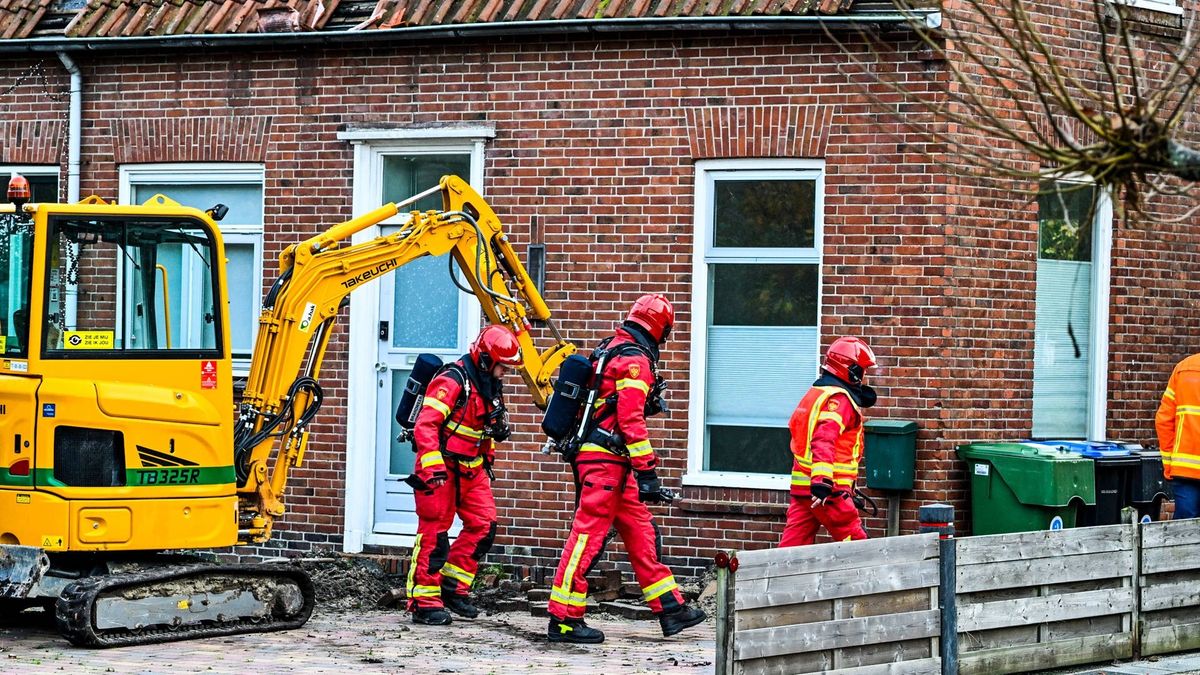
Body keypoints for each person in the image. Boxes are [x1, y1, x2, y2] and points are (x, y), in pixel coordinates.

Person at [546, 293, 706, 644]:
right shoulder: (634, 359)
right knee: (587, 537)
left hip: (611, 462)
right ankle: (563, 619)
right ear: (659, 328)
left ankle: (670, 608)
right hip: (606, 462)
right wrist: (648, 470)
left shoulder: (611, 348)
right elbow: (630, 417)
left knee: (640, 532)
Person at [405, 324, 522, 625]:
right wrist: (433, 468)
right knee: (435, 534)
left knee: (484, 527)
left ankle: (452, 589)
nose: (504, 374)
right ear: (486, 359)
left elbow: (482, 426)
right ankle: (424, 601)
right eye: (502, 367)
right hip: (441, 468)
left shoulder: (488, 384)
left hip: (472, 468)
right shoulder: (453, 380)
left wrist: (489, 453)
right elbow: (426, 425)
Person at [779, 336, 878, 547]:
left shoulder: (816, 393)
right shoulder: (840, 400)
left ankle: (778, 580)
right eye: (861, 371)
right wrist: (822, 482)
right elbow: (824, 439)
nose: (863, 377)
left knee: (791, 549)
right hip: (829, 491)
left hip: (803, 490)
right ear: (850, 371)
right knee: (859, 548)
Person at [1155, 353, 1200, 520]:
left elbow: (1164, 421)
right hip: (1185, 470)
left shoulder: (1184, 369)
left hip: (1185, 470)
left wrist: (1169, 465)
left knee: (1183, 533)